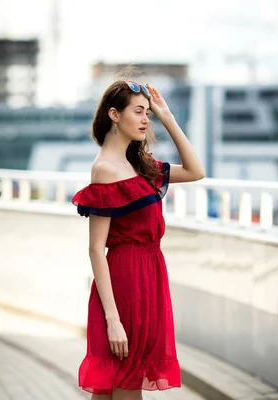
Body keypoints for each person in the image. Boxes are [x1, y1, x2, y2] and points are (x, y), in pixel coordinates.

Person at [71, 78, 205, 400]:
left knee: (111, 390)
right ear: (114, 115)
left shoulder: (140, 166)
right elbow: (95, 249)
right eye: (139, 112)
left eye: (149, 113)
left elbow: (196, 170)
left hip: (150, 278)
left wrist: (168, 117)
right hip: (125, 282)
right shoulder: (104, 169)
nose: (147, 119)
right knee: (125, 385)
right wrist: (113, 320)